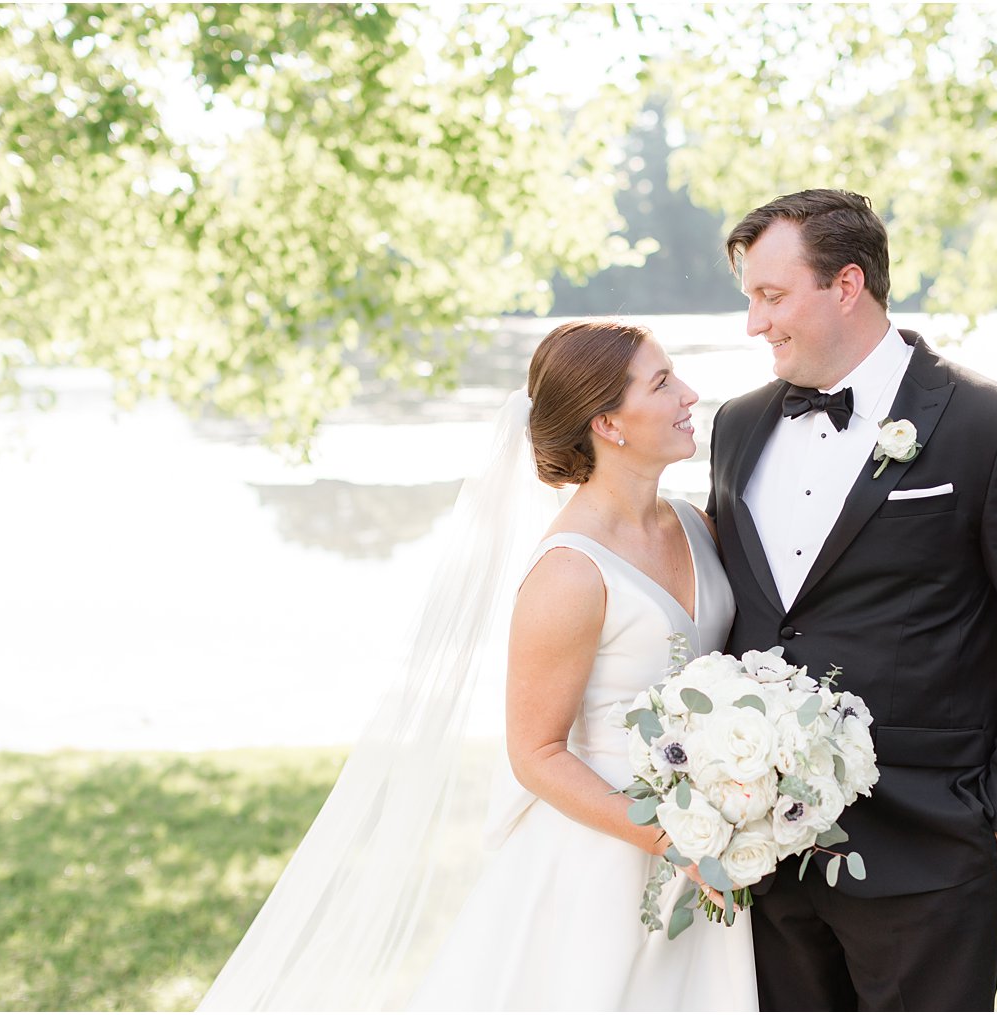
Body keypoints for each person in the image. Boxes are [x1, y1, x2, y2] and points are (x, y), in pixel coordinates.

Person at [199, 320, 757, 1011]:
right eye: (663, 381)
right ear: (608, 422)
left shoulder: (694, 524)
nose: (689, 394)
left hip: (712, 847)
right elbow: (536, 752)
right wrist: (675, 838)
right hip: (605, 864)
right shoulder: (570, 571)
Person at [706, 189, 997, 1011]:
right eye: (749, 297)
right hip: (766, 857)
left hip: (930, 846)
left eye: (771, 296)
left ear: (846, 284)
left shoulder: (991, 426)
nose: (753, 322)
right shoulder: (735, 427)